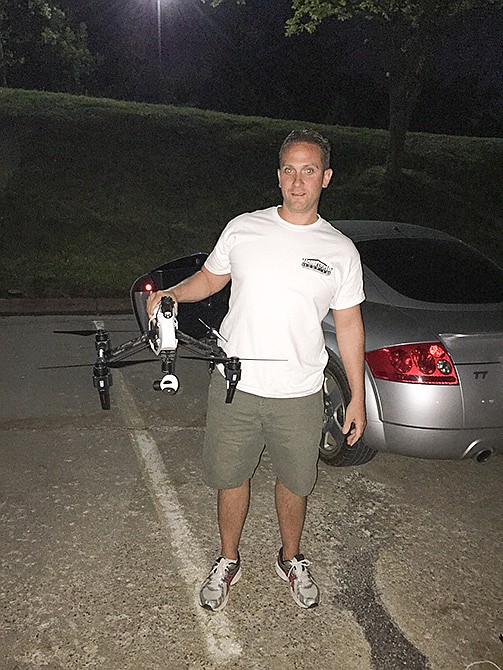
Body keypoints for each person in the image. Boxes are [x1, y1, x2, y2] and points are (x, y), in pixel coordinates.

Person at [147, 128, 366, 611]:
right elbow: (209, 277)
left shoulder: (340, 251)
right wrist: (171, 295)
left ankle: (291, 558)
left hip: (300, 393)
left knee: (295, 482)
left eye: (309, 170)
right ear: (279, 175)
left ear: (326, 178)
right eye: (289, 168)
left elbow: (349, 326)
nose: (297, 180)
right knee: (231, 477)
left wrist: (357, 397)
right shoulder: (244, 228)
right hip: (235, 388)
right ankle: (228, 559)